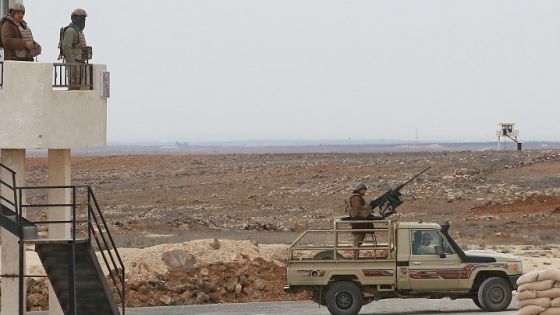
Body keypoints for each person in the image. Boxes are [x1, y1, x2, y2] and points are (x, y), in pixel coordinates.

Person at [60, 8, 91, 90]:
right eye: (82, 19)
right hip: (75, 64)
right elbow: (66, 47)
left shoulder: (78, 31)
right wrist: (72, 64)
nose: (83, 21)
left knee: (80, 88)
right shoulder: (71, 31)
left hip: (80, 63)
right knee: (74, 87)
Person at [348, 182, 374, 259]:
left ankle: (356, 258)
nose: (364, 192)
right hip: (358, 224)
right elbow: (358, 211)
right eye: (363, 190)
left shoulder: (358, 198)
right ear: (360, 190)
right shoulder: (356, 198)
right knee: (357, 242)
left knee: (358, 242)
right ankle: (355, 259)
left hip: (360, 224)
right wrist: (368, 210)